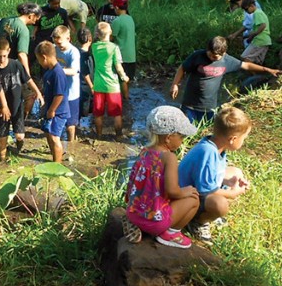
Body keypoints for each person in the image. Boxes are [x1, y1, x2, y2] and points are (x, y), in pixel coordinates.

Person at [122, 106, 200, 249]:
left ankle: (135, 222)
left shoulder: (144, 152)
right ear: (169, 138)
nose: (182, 141)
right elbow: (172, 191)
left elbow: (133, 180)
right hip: (155, 222)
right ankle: (170, 234)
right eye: (181, 137)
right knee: (194, 199)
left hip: (133, 212)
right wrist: (187, 191)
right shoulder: (168, 157)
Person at [178, 106, 252, 244]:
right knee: (220, 205)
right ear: (233, 139)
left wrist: (230, 181)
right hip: (185, 199)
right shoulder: (208, 152)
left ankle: (204, 213)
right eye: (244, 138)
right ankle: (197, 222)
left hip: (197, 189)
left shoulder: (215, 145)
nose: (244, 141)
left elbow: (212, 172)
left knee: (236, 173)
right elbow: (205, 191)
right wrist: (233, 193)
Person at [170, 36, 282, 125]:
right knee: (184, 132)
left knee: (204, 133)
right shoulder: (198, 56)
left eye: (215, 57)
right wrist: (175, 84)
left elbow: (246, 65)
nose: (211, 58)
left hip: (209, 107)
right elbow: (183, 68)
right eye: (210, 54)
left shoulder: (227, 61)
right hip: (189, 105)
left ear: (224, 53)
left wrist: (267, 69)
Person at [0, 37, 43, 161]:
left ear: (8, 51)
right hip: (2, 110)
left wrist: (38, 92)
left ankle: (17, 151)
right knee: (2, 137)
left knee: (19, 135)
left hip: (17, 105)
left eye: (3, 56)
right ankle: (2, 161)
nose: (1, 60)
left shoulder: (16, 65)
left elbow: (28, 80)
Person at [91, 22, 129, 139]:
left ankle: (99, 135)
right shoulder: (113, 47)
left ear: (97, 34)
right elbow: (118, 66)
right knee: (116, 113)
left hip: (98, 84)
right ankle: (119, 135)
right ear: (111, 32)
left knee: (98, 114)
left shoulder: (94, 47)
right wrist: (124, 77)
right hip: (112, 85)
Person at [35, 41, 70, 163]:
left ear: (44, 57)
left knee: (55, 137)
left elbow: (59, 95)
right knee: (48, 133)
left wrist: (51, 110)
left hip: (58, 111)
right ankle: (54, 156)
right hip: (50, 108)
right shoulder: (49, 71)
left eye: (39, 60)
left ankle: (57, 164)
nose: (39, 62)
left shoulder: (58, 73)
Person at [51, 25, 82, 151]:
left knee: (71, 123)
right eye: (56, 44)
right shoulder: (54, 49)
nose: (59, 46)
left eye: (61, 44)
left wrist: (59, 71)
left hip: (71, 92)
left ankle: (71, 144)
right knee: (56, 117)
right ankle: (56, 141)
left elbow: (74, 71)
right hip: (58, 91)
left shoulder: (73, 52)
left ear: (68, 38)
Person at [0, 3, 42, 77]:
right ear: (31, 16)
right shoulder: (23, 30)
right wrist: (27, 75)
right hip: (11, 65)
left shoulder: (7, 20)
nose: (35, 22)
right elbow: (22, 55)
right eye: (36, 19)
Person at [109, 0, 136, 94]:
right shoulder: (130, 19)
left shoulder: (117, 21)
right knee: (127, 79)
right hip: (132, 56)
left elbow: (111, 38)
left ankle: (125, 101)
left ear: (116, 7)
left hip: (121, 56)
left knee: (122, 80)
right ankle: (127, 98)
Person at [238, 0, 271, 64]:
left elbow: (263, 25)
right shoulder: (259, 12)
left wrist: (254, 34)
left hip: (260, 41)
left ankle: (255, 73)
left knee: (245, 58)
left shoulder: (257, 13)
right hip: (263, 40)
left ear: (252, 6)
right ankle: (257, 73)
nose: (246, 11)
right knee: (256, 62)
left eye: (246, 9)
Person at [76, 27, 95, 121]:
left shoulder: (77, 52)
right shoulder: (86, 55)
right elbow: (85, 72)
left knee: (79, 109)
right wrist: (91, 86)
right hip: (86, 86)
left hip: (78, 85)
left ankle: (77, 126)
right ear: (90, 39)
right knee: (84, 110)